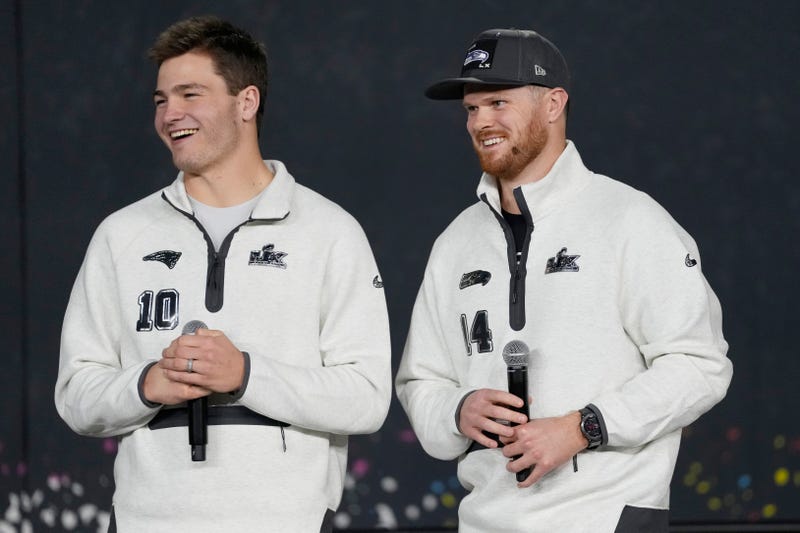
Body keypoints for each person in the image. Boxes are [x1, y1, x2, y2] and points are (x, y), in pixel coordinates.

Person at [54, 16, 391, 532]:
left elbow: (366, 398)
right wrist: (147, 383)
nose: (171, 114)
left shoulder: (330, 231)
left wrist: (245, 374)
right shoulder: (121, 236)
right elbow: (77, 393)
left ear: (247, 102)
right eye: (161, 100)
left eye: (190, 94)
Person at [395, 28, 732, 532]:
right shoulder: (455, 242)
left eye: (498, 103)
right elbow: (419, 380)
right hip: (486, 518)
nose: (480, 121)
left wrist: (584, 427)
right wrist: (457, 409)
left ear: (553, 104)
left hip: (607, 516)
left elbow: (700, 366)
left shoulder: (630, 219)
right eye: (471, 109)